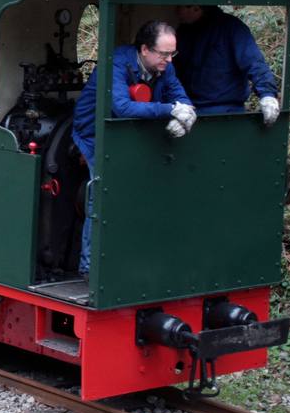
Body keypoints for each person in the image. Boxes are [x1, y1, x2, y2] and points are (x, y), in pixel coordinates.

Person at [70, 21, 196, 275]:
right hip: (95, 134)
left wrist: (186, 116)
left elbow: (180, 96)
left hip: (133, 133)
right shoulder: (116, 64)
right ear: (145, 50)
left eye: (172, 54)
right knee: (102, 192)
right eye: (164, 54)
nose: (169, 60)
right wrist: (170, 110)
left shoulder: (164, 67)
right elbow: (122, 107)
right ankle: (89, 267)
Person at [174, 5, 280, 124]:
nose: (177, 12)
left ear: (195, 8)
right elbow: (174, 71)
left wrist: (267, 95)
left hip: (226, 111)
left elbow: (254, 62)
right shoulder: (184, 31)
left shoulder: (231, 28)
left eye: (179, 8)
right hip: (189, 109)